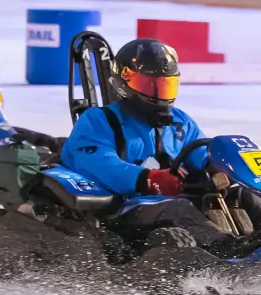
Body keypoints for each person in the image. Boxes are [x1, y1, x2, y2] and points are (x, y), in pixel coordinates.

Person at [60, 38, 226, 250]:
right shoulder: (99, 120)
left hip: (170, 202)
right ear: (123, 84)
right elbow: (99, 162)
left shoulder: (180, 121)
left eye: (165, 86)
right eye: (149, 85)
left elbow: (202, 155)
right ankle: (224, 249)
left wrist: (218, 170)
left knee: (241, 194)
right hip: (122, 209)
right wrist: (146, 179)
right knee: (177, 208)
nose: (160, 96)